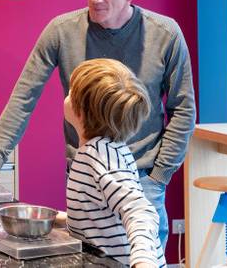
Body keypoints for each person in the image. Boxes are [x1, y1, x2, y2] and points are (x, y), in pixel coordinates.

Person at [0, 0, 196, 250]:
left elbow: (183, 110)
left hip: (142, 177)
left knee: (140, 254)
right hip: (83, 175)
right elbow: (24, 96)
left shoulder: (165, 34)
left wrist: (159, 176)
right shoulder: (61, 31)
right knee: (89, 256)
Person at [63, 58, 166, 267]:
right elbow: (99, 214)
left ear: (81, 110)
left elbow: (140, 210)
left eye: (71, 92)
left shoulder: (100, 155)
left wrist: (143, 261)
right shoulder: (100, 149)